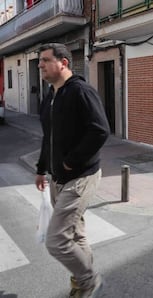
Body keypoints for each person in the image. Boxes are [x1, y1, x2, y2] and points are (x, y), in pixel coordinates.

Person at [35, 43, 110, 297]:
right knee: (75, 234)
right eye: (39, 61)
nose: (40, 65)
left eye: (45, 60)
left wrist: (71, 162)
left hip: (81, 176)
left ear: (63, 63)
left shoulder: (81, 91)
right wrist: (41, 169)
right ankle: (82, 281)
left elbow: (100, 130)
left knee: (56, 239)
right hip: (58, 178)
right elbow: (49, 137)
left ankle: (89, 279)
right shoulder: (50, 96)